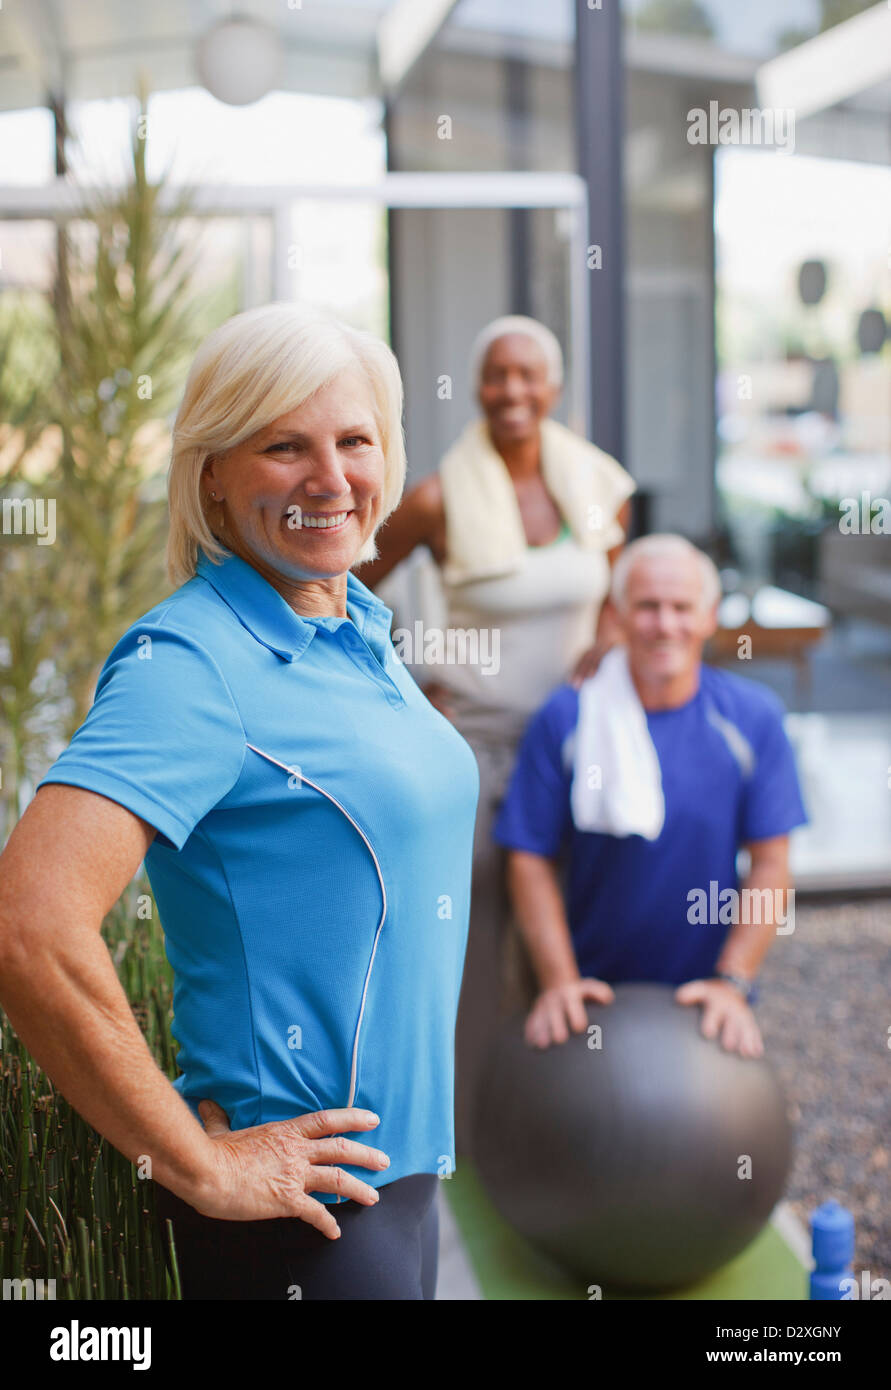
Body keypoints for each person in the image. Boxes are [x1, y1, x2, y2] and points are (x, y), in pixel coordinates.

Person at [0, 302, 479, 1300]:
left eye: (354, 439)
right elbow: (29, 926)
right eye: (282, 446)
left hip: (402, 1191)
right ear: (211, 474)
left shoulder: (353, 625)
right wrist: (200, 1162)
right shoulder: (191, 663)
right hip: (307, 1225)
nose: (330, 477)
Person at [357, 315, 635, 1153]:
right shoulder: (439, 498)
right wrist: (409, 681)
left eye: (527, 375)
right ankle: (468, 1126)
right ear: (477, 387)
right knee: (471, 931)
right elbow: (341, 588)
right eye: (494, 376)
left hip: (576, 750)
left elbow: (615, 578)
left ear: (553, 388)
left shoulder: (595, 486)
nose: (511, 391)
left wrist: (610, 634)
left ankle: (571, 1103)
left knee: (571, 920)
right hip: (471, 752)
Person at [493, 534, 808, 1057]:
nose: (665, 625)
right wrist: (558, 980)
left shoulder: (754, 719)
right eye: (647, 607)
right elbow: (528, 856)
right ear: (616, 614)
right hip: (590, 995)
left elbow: (772, 863)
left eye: (682, 608)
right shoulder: (567, 718)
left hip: (703, 996)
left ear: (710, 616)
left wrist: (734, 981)